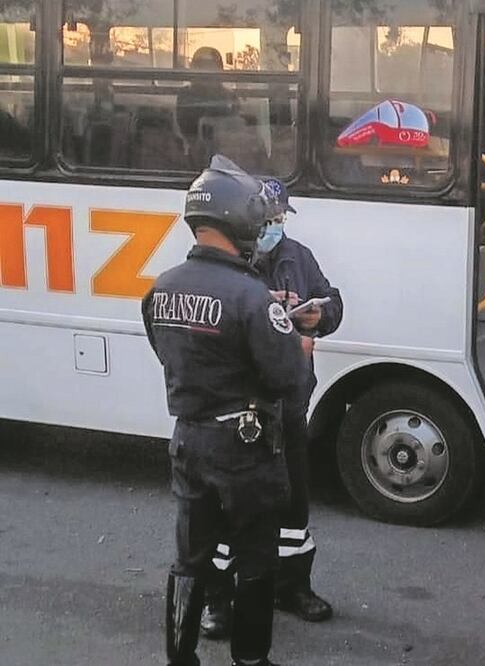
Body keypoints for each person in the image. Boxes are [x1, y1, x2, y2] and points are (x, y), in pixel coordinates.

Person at [142, 155, 312, 666]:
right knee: (254, 558)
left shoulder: (161, 288)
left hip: (188, 440)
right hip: (245, 447)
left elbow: (167, 352)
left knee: (190, 559)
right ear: (238, 219)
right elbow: (287, 378)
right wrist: (299, 347)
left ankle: (181, 657)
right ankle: (250, 659)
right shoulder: (252, 297)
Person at [200, 178, 342, 639]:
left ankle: (292, 587)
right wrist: (271, 310)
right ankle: (219, 601)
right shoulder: (228, 263)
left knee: (293, 505)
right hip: (243, 411)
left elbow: (332, 300)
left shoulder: (298, 256)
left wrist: (322, 316)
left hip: (290, 406)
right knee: (228, 509)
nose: (275, 227)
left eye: (282, 219)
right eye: (269, 220)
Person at [176, 47, 237, 140]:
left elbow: (235, 127)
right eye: (200, 66)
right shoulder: (185, 95)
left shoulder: (230, 96)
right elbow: (185, 128)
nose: (205, 74)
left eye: (210, 67)